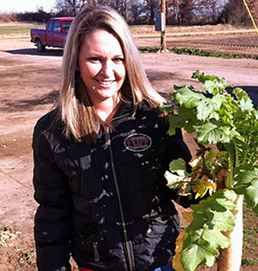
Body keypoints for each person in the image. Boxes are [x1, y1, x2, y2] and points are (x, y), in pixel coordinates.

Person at [32, 5, 192, 271]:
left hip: (159, 262)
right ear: (75, 62)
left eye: (118, 59)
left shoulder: (155, 117)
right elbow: (52, 215)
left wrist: (216, 178)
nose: (108, 72)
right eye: (95, 59)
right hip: (96, 265)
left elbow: (183, 188)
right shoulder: (52, 132)